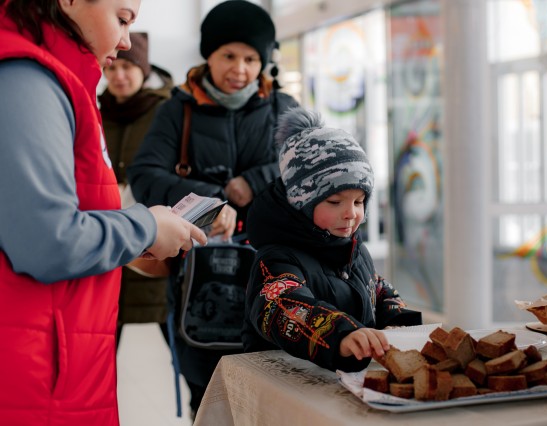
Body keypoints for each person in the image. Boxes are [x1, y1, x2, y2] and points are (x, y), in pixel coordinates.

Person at [0, 1, 207, 425]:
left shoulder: (59, 80)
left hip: (56, 357)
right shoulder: (28, 78)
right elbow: (46, 240)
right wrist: (146, 226)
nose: (127, 40)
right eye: (123, 18)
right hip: (34, 372)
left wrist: (128, 240)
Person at [127, 0, 298, 417]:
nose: (240, 67)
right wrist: (213, 196)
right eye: (229, 55)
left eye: (251, 57)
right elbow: (145, 175)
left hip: (273, 274)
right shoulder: (177, 110)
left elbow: (309, 170)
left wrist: (251, 183)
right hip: (200, 278)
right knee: (208, 398)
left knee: (273, 396)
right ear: (209, 54)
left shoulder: (284, 108)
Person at [241, 106, 423, 373]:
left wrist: (398, 322)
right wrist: (341, 335)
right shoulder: (276, 258)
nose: (350, 214)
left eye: (359, 202)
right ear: (301, 201)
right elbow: (284, 306)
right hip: (288, 386)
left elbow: (378, 288)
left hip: (344, 381)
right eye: (335, 201)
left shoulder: (353, 249)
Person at [99, 32, 174, 348]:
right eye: (111, 68)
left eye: (127, 67)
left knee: (171, 336)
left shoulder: (164, 111)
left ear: (143, 69)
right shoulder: (94, 107)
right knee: (101, 343)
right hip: (104, 236)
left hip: (153, 236)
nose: (118, 76)